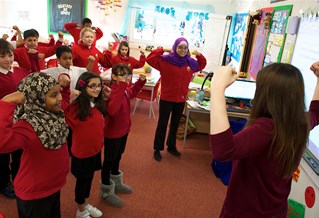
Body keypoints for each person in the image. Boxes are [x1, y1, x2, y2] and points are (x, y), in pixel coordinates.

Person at [209, 63, 319, 217]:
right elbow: (316, 111)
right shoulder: (300, 123)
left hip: (246, 212)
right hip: (276, 211)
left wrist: (217, 88)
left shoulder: (266, 128)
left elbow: (223, 150)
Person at [0, 72, 70, 217]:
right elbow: (3, 144)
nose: (59, 99)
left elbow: (65, 104)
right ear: (36, 98)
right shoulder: (26, 125)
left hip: (53, 186)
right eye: (53, 95)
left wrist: (67, 89)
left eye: (59, 93)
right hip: (35, 194)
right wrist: (6, 103)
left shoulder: (54, 115)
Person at [146, 37, 207, 161]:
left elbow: (202, 64)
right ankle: (157, 148)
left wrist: (199, 55)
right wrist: (162, 49)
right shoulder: (165, 60)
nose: (183, 50)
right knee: (162, 124)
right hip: (166, 98)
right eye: (180, 47)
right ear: (175, 47)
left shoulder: (190, 62)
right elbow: (150, 59)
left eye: (185, 48)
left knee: (175, 124)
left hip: (180, 99)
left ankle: (171, 146)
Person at [100, 64, 146, 207]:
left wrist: (139, 83)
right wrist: (120, 86)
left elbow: (131, 93)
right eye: (122, 75)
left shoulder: (124, 90)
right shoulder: (113, 91)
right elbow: (112, 111)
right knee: (109, 160)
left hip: (123, 130)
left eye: (127, 76)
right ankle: (106, 189)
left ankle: (116, 181)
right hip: (112, 133)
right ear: (113, 76)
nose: (126, 79)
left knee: (118, 156)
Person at [64, 72, 105, 218]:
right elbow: (62, 114)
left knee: (89, 179)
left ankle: (86, 204)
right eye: (92, 86)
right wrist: (69, 98)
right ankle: (80, 210)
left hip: (94, 151)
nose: (97, 89)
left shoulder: (97, 105)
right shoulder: (75, 108)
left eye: (99, 85)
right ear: (83, 87)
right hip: (82, 154)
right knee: (82, 182)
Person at [0, 39, 29, 199]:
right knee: (2, 155)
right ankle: (4, 182)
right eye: (2, 56)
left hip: (19, 120)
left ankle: (18, 177)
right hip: (2, 123)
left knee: (20, 151)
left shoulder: (19, 72)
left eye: (10, 55)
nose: (8, 59)